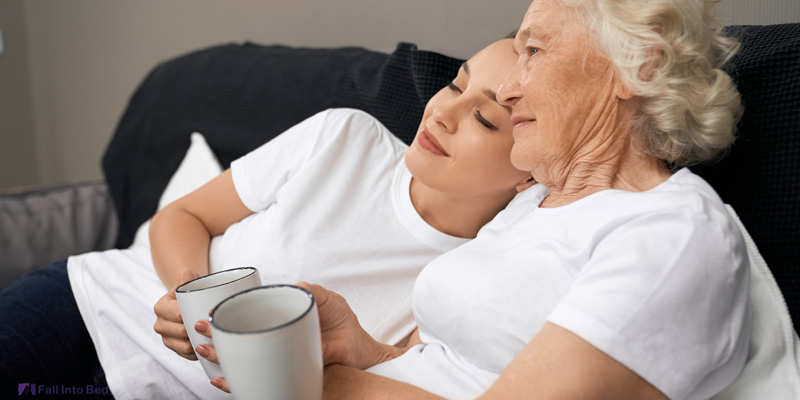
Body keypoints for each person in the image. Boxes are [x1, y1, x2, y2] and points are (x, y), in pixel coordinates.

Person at [204, 0, 753, 398]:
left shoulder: (672, 234)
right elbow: (459, 374)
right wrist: (366, 352)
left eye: (533, 50)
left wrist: (309, 383)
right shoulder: (532, 203)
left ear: (640, 65)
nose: (510, 89)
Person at [0, 36, 531, 399]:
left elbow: (407, 377)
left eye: (484, 118)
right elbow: (181, 216)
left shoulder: (473, 279)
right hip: (92, 304)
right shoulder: (345, 137)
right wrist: (191, 292)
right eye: (455, 85)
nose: (442, 112)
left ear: (532, 167)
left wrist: (368, 355)